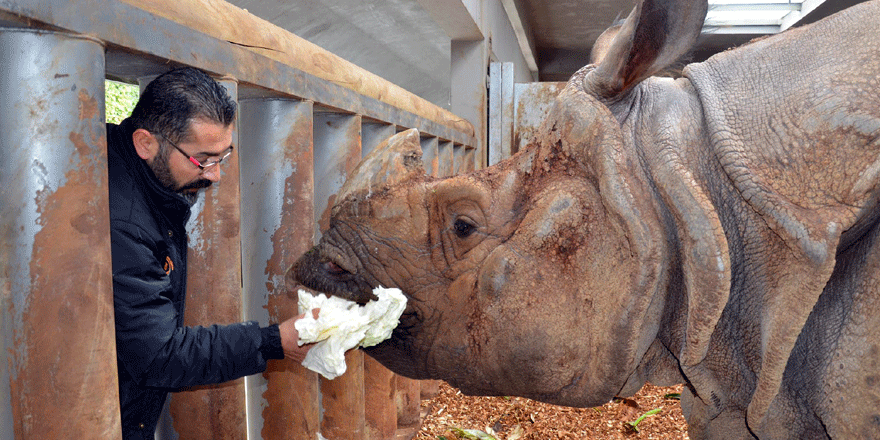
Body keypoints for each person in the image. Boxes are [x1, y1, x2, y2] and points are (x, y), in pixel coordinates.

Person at [106, 67, 313, 439]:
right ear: (145, 143)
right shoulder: (124, 223)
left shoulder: (135, 172)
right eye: (203, 159)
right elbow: (157, 354)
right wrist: (272, 342)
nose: (215, 176)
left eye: (223, 156)